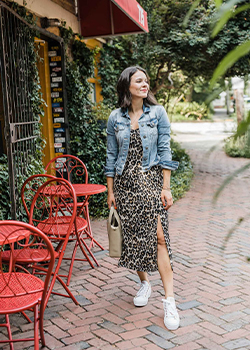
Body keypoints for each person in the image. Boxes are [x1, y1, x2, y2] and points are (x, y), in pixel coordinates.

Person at [104, 66, 180, 330]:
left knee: (159, 236)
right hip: (124, 186)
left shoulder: (157, 113)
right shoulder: (115, 117)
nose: (145, 84)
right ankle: (145, 283)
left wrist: (167, 187)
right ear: (127, 86)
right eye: (139, 81)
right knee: (134, 239)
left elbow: (165, 150)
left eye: (146, 81)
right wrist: (110, 191)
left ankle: (169, 300)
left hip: (150, 182)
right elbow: (111, 158)